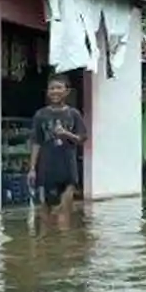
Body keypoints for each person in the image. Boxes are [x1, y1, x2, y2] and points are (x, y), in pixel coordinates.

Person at [27, 75, 88, 216]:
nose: (55, 91)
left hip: (68, 169)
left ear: (67, 91)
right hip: (46, 169)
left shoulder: (73, 114)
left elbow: (82, 138)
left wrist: (66, 134)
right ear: (48, 92)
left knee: (64, 216)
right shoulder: (40, 115)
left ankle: (64, 238)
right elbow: (36, 143)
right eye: (52, 88)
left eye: (59, 87)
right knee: (45, 216)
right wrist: (32, 169)